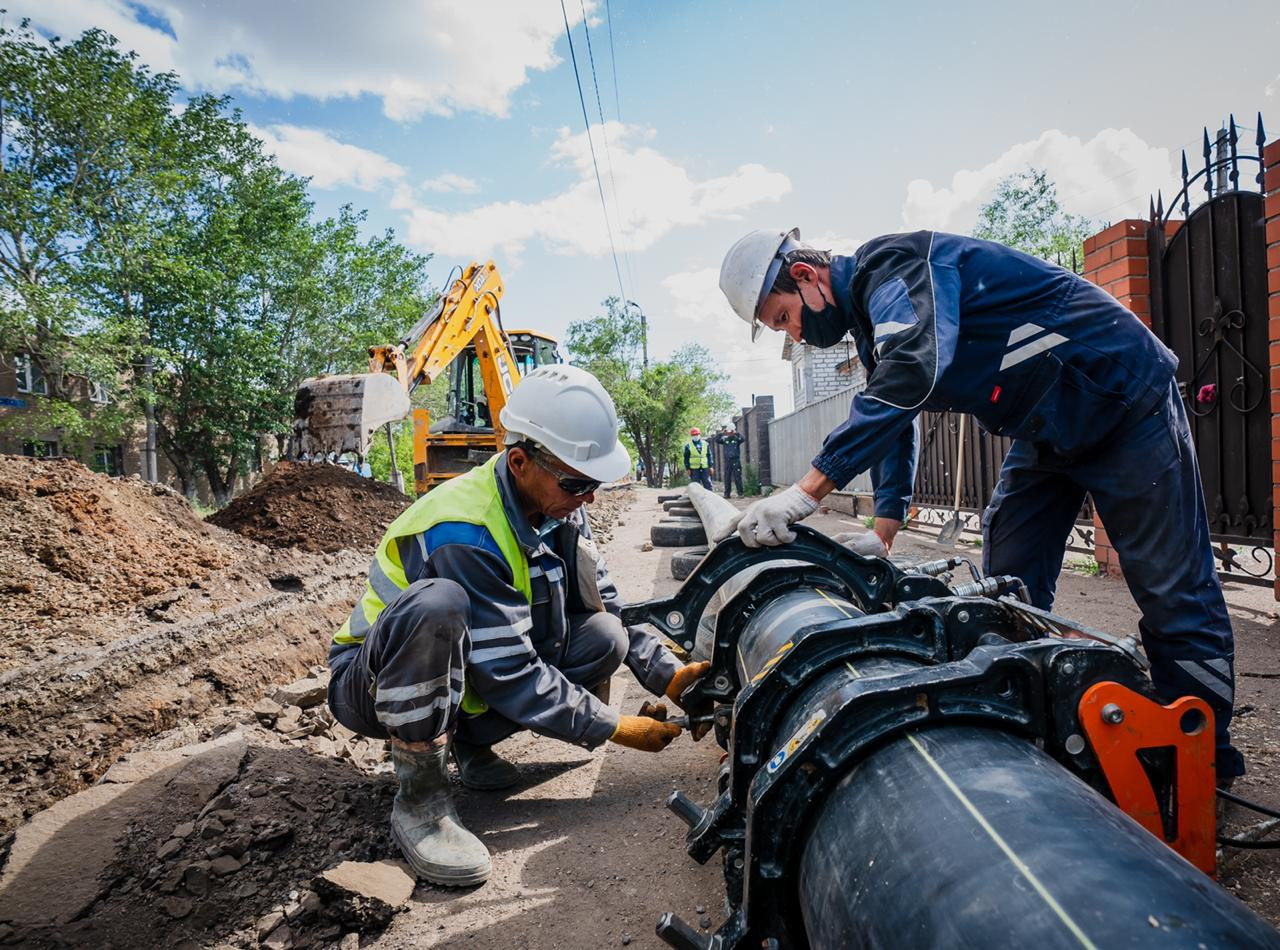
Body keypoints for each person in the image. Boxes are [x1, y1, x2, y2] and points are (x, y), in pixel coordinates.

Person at [718, 227, 1244, 784]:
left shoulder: (892, 266)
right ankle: (1038, 715)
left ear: (805, 276)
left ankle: (1201, 761)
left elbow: (913, 371)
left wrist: (805, 493)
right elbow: (897, 415)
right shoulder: (874, 327)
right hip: (1049, 425)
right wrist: (884, 530)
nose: (794, 335)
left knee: (1171, 586)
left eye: (783, 318)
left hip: (1122, 395)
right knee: (1008, 579)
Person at [326, 365, 711, 886]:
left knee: (606, 637)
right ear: (520, 462)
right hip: (373, 684)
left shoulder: (562, 506)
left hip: (469, 673)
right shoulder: (464, 530)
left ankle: (470, 745)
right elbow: (509, 670)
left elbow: (609, 606)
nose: (589, 497)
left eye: (594, 483)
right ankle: (421, 802)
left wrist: (667, 672)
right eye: (579, 483)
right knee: (439, 605)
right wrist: (610, 724)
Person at [714, 424, 745, 498]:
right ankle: (727, 494)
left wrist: (736, 432)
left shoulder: (737, 438)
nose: (730, 433)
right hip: (728, 461)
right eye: (729, 431)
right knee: (727, 478)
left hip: (736, 461)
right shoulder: (725, 439)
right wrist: (722, 432)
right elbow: (716, 440)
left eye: (731, 431)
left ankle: (740, 493)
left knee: (737, 477)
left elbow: (743, 439)